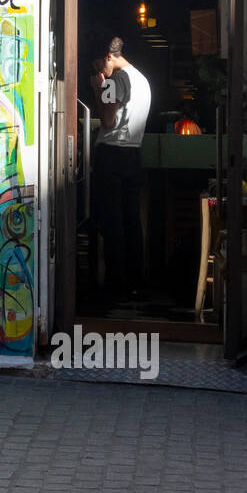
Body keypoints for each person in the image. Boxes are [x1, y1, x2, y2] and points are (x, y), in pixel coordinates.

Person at [89, 37, 151, 298]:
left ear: (108, 57)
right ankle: (134, 280)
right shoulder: (142, 79)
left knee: (111, 219)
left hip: (112, 155)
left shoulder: (116, 79)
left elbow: (108, 119)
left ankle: (115, 282)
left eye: (99, 66)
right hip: (133, 154)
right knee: (131, 219)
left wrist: (98, 87)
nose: (99, 71)